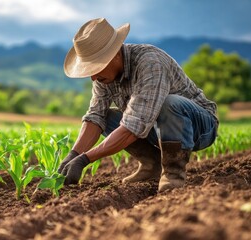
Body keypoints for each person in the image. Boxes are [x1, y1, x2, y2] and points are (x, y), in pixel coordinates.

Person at [58, 18, 219, 192]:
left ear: (115, 54)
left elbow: (134, 126)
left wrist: (85, 159)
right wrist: (72, 156)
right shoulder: (103, 77)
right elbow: (95, 116)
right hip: (156, 128)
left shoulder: (150, 63)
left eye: (95, 68)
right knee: (105, 117)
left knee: (169, 103)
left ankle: (173, 173)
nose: (93, 77)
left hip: (200, 127)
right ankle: (152, 165)